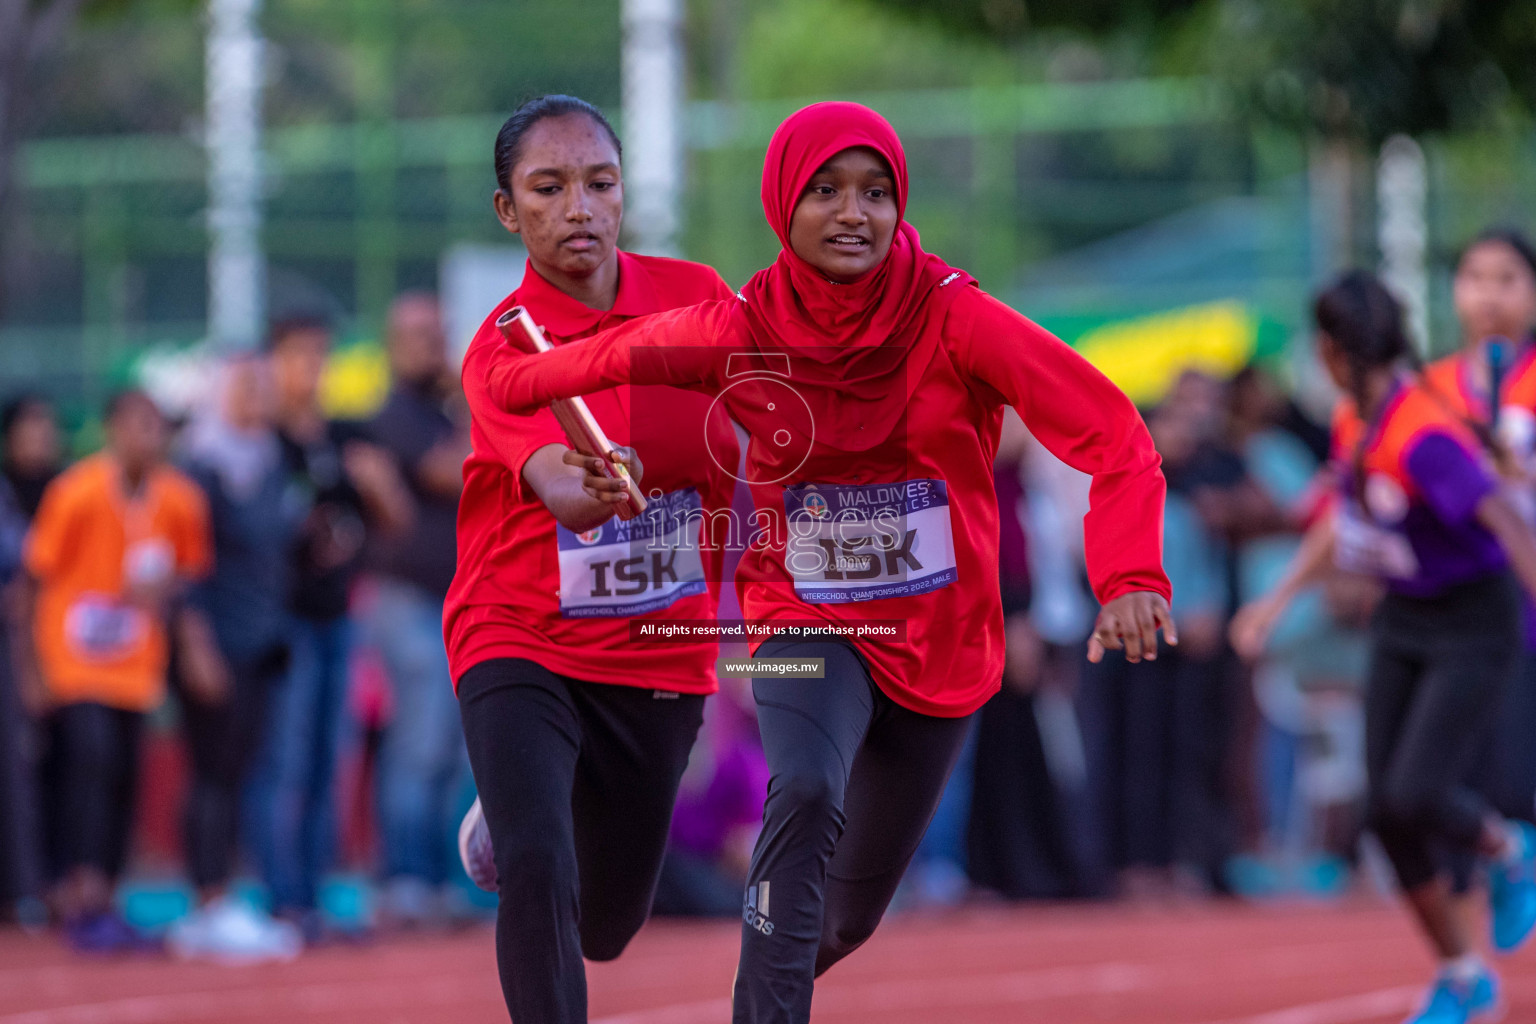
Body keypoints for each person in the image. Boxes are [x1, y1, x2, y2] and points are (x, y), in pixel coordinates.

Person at [486, 101, 1174, 1023]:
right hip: (802, 623)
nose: (853, 214)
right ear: (783, 204)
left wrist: (1129, 576)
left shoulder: (956, 317)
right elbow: (587, 360)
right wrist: (504, 374)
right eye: (825, 192)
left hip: (941, 640)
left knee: (837, 922)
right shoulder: (737, 326)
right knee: (804, 786)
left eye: (876, 193)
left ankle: (771, 977)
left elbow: (1114, 433)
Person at [447, 94, 740, 1022]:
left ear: (622, 194)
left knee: (608, 923)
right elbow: (568, 493)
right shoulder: (503, 348)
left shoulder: (696, 299)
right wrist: (614, 478)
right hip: (519, 625)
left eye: (599, 183)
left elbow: (762, 426)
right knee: (537, 865)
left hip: (656, 643)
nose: (579, 206)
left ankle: (529, 802)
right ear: (509, 211)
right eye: (549, 187)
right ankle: (524, 804)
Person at [1231, 271, 1536, 1024]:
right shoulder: (1352, 420)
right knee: (1387, 815)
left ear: (1333, 352)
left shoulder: (1423, 434)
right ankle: (1463, 975)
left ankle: (1508, 847)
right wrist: (1276, 600)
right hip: (1404, 619)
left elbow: (1506, 520)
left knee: (1416, 793)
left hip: (1474, 621)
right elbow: (1343, 515)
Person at [18, 390, 211, 951]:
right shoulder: (75, 493)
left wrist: (164, 588)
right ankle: (77, 892)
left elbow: (189, 570)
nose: (151, 438)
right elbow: (32, 580)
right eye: (140, 426)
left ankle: (107, 897)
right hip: (74, 662)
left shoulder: (178, 499)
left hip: (136, 668)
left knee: (126, 776)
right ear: (113, 430)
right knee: (90, 768)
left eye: (159, 428)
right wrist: (31, 672)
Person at [245, 315, 411, 940]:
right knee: (282, 759)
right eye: (297, 355)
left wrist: (377, 484)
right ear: (273, 363)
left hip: (339, 615)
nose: (310, 368)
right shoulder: (262, 441)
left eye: (320, 355)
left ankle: (310, 896)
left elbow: (393, 522)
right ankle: (277, 895)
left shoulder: (348, 437)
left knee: (326, 760)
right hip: (282, 618)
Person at [167, 355, 303, 962]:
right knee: (212, 773)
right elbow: (184, 566)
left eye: (265, 386)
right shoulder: (198, 467)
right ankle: (207, 899)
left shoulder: (273, 461)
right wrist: (195, 646)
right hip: (214, 641)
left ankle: (227, 894)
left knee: (244, 772)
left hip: (263, 640)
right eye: (248, 387)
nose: (260, 397)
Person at [1419, 228, 1536, 828]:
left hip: (1527, 601)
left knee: (1520, 780)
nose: (1490, 296)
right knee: (1460, 778)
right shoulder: (1430, 390)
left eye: (1508, 279)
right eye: (1475, 279)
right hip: (1458, 604)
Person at [364, 292, 472, 928]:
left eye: (438, 334)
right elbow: (457, 471)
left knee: (455, 749)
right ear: (394, 343)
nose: (433, 347)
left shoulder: (437, 408)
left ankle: (441, 883)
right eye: (420, 336)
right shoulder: (396, 413)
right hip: (409, 601)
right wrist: (469, 403)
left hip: (454, 603)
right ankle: (404, 878)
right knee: (419, 743)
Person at [2, 394, 62, 522]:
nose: (45, 429)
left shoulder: (70, 487)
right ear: (10, 433)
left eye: (48, 420)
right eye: (34, 420)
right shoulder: (5, 491)